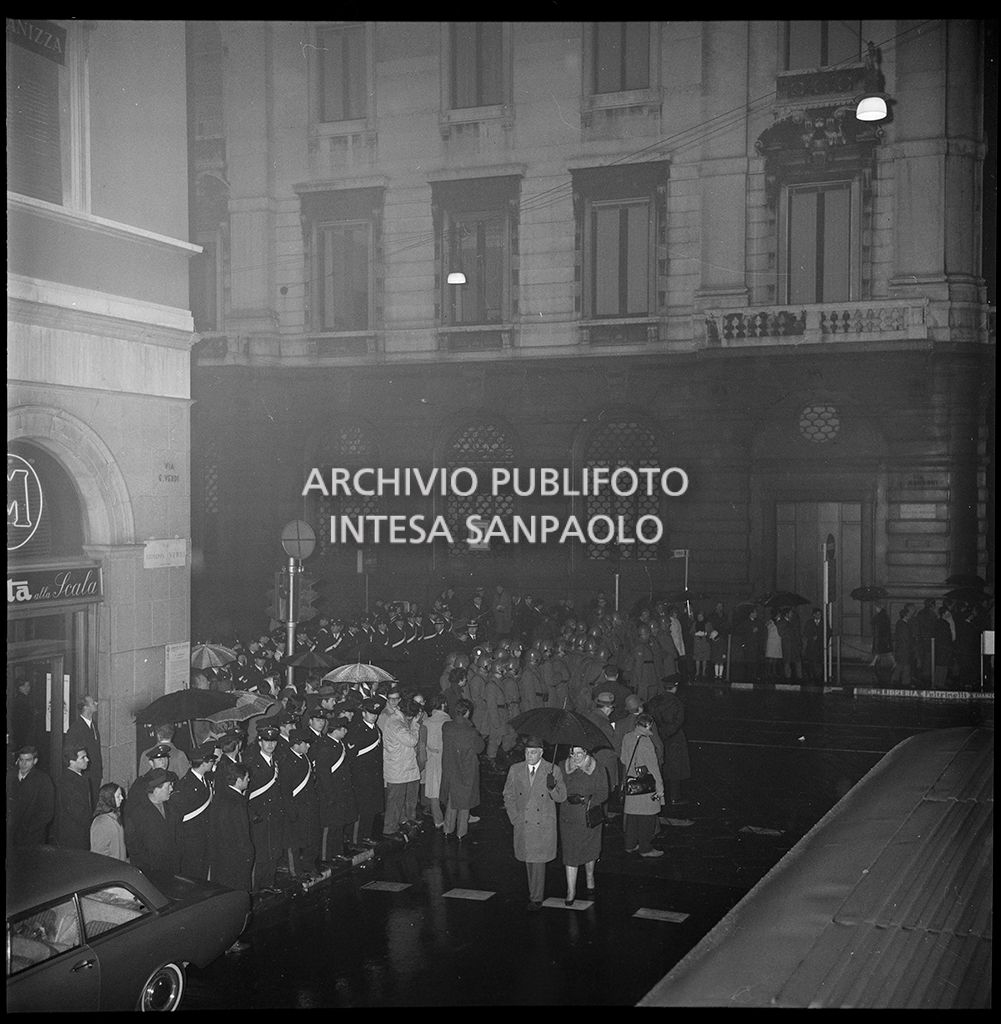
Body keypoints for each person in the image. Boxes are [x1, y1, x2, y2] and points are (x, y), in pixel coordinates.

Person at [502, 735, 567, 911]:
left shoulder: (552, 770)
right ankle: (534, 893)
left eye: (532, 752)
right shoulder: (515, 769)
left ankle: (536, 897)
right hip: (523, 822)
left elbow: (562, 797)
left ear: (541, 753)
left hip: (542, 824)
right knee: (528, 860)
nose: (528, 756)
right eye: (526, 752)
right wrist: (514, 817)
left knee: (538, 862)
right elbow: (508, 795)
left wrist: (552, 787)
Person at [559, 745, 608, 904]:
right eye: (573, 753)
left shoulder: (598, 768)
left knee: (590, 849)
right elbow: (557, 794)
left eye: (580, 753)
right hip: (569, 817)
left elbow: (603, 793)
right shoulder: (561, 766)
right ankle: (570, 890)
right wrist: (552, 786)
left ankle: (589, 876)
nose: (576, 757)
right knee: (570, 853)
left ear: (587, 753)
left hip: (589, 816)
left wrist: (586, 800)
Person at [244, 724, 285, 891]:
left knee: (273, 851)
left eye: (273, 741)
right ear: (260, 742)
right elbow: (246, 794)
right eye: (266, 741)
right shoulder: (252, 764)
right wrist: (253, 814)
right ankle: (256, 889)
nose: (270, 744)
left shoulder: (277, 761)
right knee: (260, 853)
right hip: (259, 816)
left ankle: (269, 884)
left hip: (274, 814)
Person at [619, 715, 665, 857]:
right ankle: (646, 849)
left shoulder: (627, 737)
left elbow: (623, 759)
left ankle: (630, 845)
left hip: (632, 784)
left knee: (632, 817)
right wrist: (660, 787)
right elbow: (653, 767)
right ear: (648, 726)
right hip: (645, 787)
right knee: (648, 817)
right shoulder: (646, 742)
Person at [439, 697, 484, 843]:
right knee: (464, 803)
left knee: (452, 801)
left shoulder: (446, 727)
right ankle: (461, 833)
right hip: (466, 771)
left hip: (451, 769)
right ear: (468, 713)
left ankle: (447, 829)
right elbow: (480, 748)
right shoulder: (471, 732)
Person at [170, 742, 217, 880]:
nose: (213, 763)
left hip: (204, 838)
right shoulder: (185, 786)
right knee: (193, 876)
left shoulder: (205, 781)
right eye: (211, 760)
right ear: (205, 762)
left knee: (202, 873)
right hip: (191, 842)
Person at [124, 768, 181, 875]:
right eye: (168, 786)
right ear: (156, 789)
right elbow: (133, 846)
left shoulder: (172, 808)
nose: (171, 789)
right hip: (151, 872)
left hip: (172, 869)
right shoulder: (137, 813)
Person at [315, 715, 357, 860]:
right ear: (336, 730)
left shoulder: (339, 744)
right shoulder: (325, 746)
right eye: (343, 729)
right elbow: (324, 774)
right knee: (329, 826)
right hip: (330, 793)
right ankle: (325, 857)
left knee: (338, 823)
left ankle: (337, 852)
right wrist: (330, 795)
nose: (346, 731)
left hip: (341, 791)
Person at [280, 727, 320, 878]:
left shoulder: (304, 758)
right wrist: (291, 812)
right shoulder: (287, 762)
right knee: (294, 843)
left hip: (308, 806)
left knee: (311, 838)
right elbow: (285, 791)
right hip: (295, 808)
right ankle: (295, 872)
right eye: (306, 743)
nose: (309, 746)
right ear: (296, 744)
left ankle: (308, 866)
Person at [381, 695, 422, 837]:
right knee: (395, 802)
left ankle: (402, 823)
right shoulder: (396, 724)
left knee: (402, 800)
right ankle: (389, 830)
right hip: (398, 769)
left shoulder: (399, 720)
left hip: (403, 767)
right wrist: (415, 725)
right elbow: (411, 740)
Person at [646, 680, 692, 806]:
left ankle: (657, 795)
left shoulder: (654, 701)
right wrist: (667, 733)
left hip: (657, 735)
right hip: (674, 738)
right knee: (675, 768)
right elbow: (678, 721)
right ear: (675, 688)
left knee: (658, 766)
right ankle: (674, 797)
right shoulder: (677, 703)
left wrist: (659, 733)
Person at [345, 697, 383, 846]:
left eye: (375, 713)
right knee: (361, 809)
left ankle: (366, 836)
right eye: (370, 713)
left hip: (373, 776)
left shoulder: (376, 730)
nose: (373, 716)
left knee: (371, 808)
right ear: (363, 713)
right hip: (361, 777)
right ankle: (355, 840)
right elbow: (352, 756)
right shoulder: (357, 730)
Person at [6, 745, 54, 847]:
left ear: (35, 761)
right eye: (21, 760)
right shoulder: (10, 777)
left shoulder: (43, 780)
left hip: (33, 836)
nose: (23, 764)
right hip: (11, 835)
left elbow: (47, 811)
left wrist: (29, 828)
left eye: (28, 760)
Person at [64, 694, 103, 807]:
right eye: (93, 703)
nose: (96, 703)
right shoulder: (75, 729)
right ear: (86, 707)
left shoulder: (93, 725)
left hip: (95, 773)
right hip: (85, 774)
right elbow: (70, 754)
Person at [54, 744, 93, 849]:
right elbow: (77, 811)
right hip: (74, 835)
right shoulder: (67, 782)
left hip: (79, 832)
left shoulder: (79, 778)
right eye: (83, 757)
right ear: (72, 761)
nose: (87, 759)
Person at [421, 694, 451, 830]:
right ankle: (451, 819)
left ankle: (438, 820)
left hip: (431, 758)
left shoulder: (427, 722)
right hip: (446, 758)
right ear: (443, 705)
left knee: (433, 790)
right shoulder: (448, 721)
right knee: (449, 788)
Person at [90, 782, 127, 861]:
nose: (122, 798)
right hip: (110, 869)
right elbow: (98, 854)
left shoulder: (115, 816)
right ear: (109, 798)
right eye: (118, 796)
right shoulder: (101, 822)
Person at [891, 604, 917, 689]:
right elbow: (906, 638)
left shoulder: (900, 623)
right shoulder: (904, 625)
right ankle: (906, 682)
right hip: (904, 649)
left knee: (900, 665)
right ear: (906, 615)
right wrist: (911, 645)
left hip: (901, 649)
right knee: (906, 666)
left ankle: (895, 680)